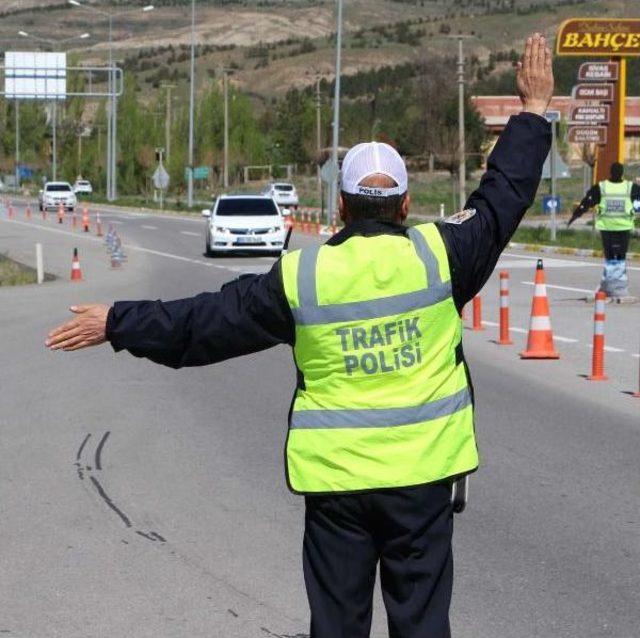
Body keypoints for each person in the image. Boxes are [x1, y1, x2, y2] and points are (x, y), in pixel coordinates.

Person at [46, 34, 553, 638]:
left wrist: (116, 321)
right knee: (421, 622)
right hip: (422, 481)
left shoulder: (302, 275)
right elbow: (503, 197)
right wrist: (531, 110)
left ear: (340, 205)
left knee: (336, 625)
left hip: (336, 489)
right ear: (405, 203)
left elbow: (203, 326)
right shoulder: (441, 257)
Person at [568, 161, 639, 298]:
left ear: (610, 172)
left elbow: (586, 203)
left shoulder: (602, 187)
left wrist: (575, 216)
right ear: (622, 173)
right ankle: (616, 286)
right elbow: (587, 202)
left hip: (607, 227)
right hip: (622, 227)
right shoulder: (630, 187)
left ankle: (612, 285)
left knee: (611, 256)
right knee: (619, 257)